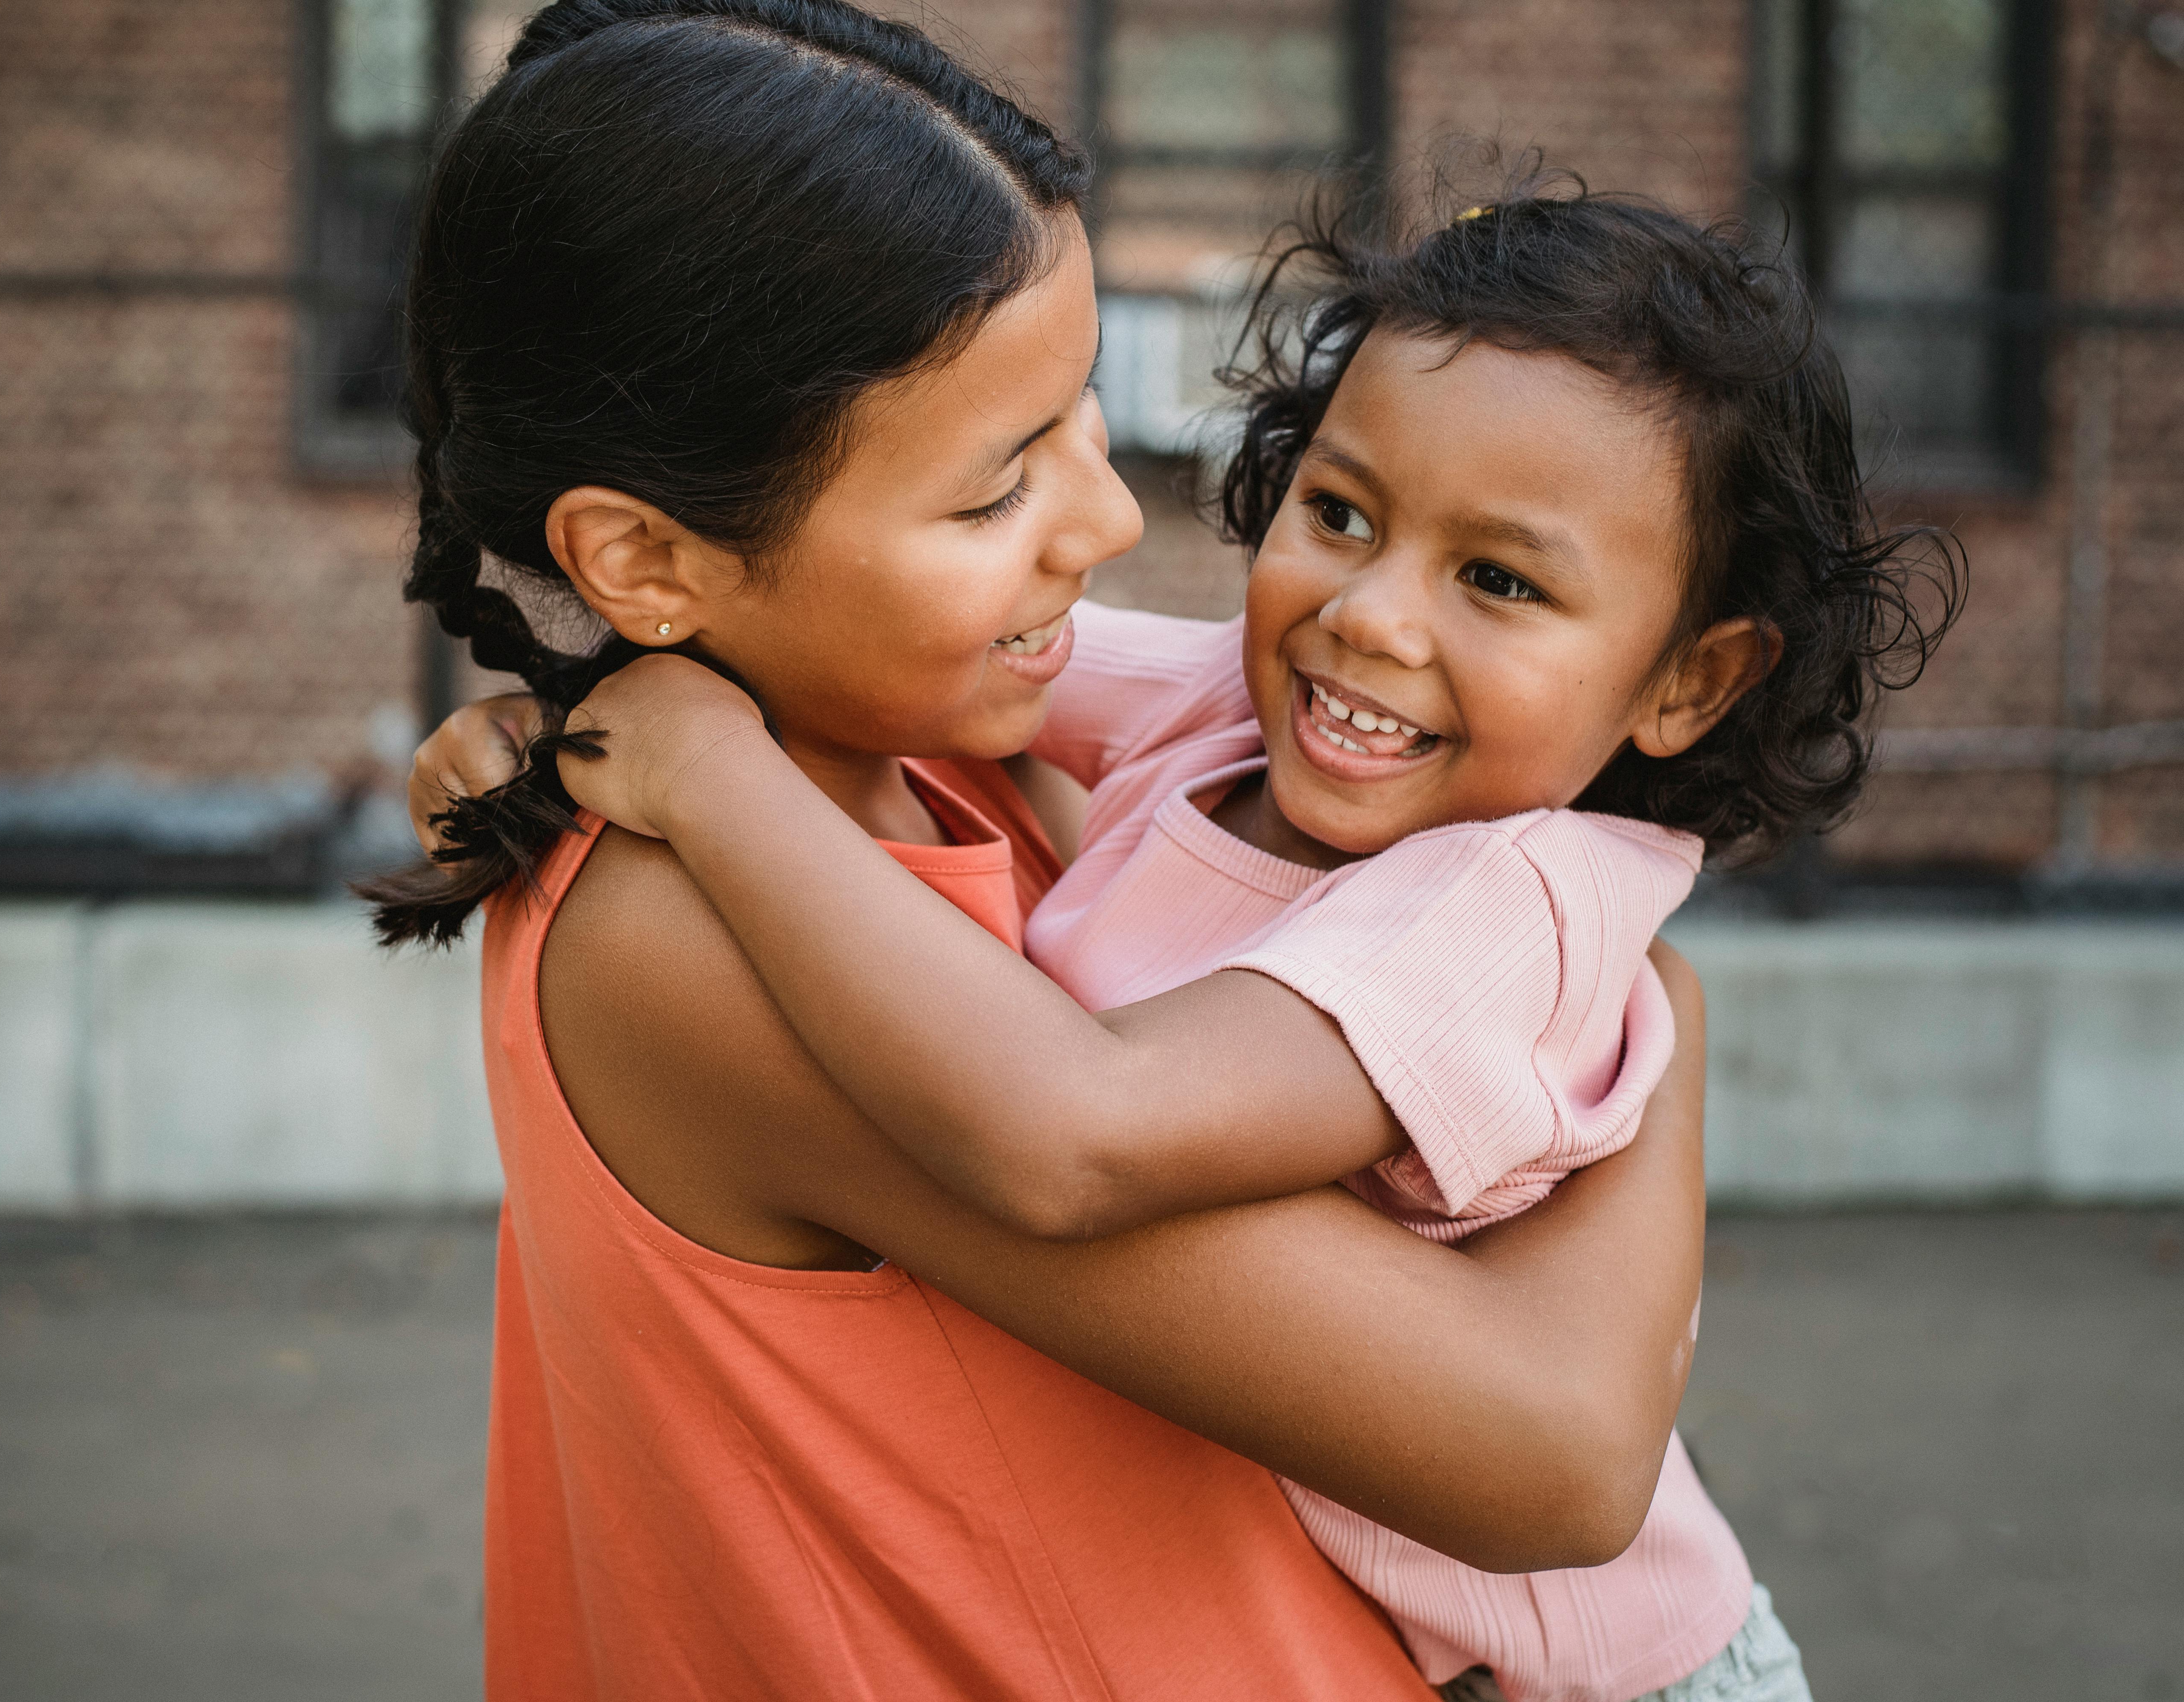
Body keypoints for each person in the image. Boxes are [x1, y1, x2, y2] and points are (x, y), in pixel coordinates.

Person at [440, 186, 1961, 1701]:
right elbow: (887, 636)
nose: (1371, 616)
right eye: (1344, 513)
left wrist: (707, 774)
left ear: (1688, 684)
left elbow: (1080, 1131)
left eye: (1499, 580)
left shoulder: (1506, 906)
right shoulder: (1239, 714)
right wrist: (554, 713)